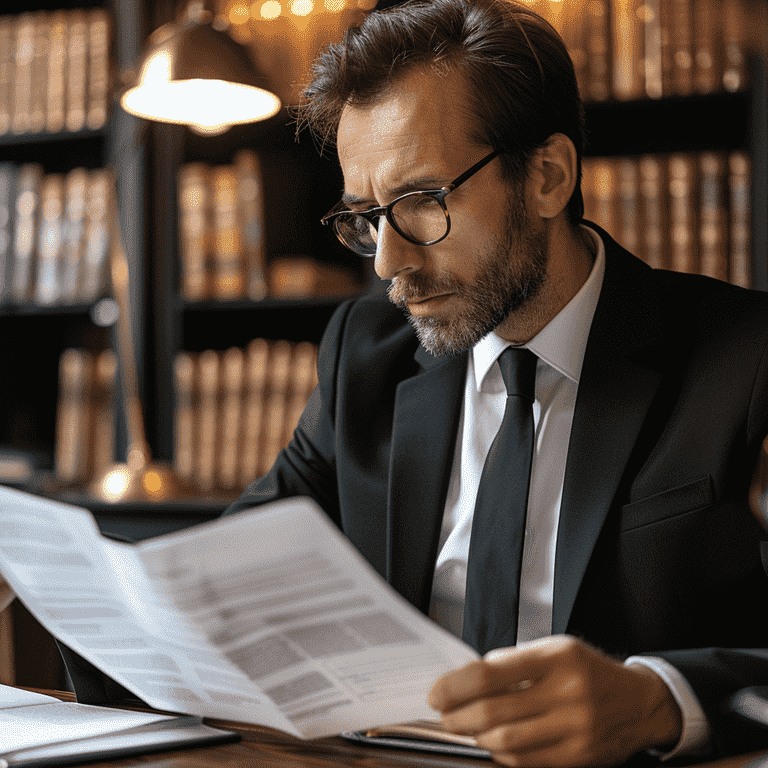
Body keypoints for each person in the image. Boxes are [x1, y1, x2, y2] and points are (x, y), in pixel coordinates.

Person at [1, 0, 766, 764]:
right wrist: (63, 591)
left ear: (548, 176)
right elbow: (220, 591)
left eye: (423, 203)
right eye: (367, 217)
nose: (388, 265)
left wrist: (654, 702)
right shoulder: (367, 354)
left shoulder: (745, 361)